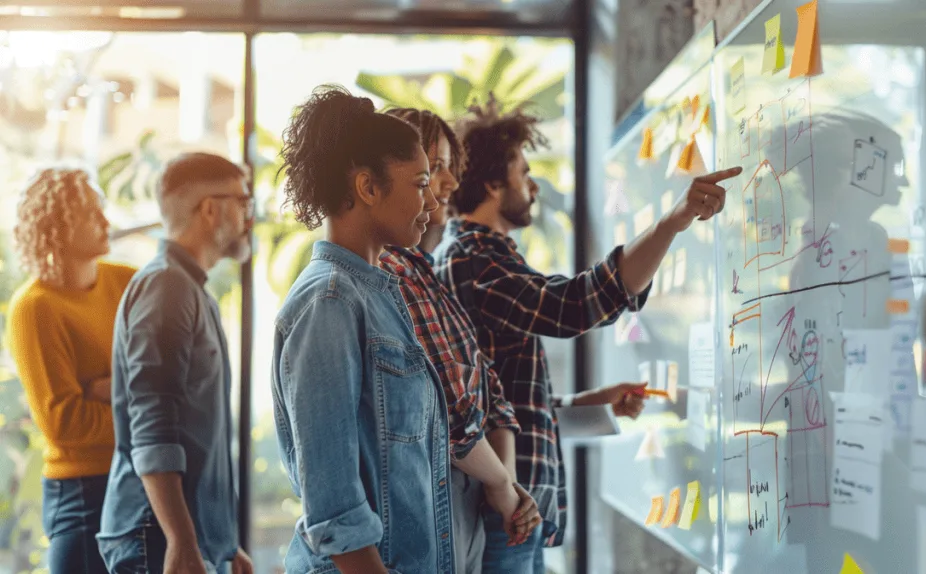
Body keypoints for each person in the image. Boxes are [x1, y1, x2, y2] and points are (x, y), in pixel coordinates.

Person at [433, 95, 742, 572]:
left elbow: (500, 402)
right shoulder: (472, 259)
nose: (533, 186)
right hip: (506, 511)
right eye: (523, 172)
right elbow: (573, 305)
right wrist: (670, 224)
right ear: (494, 184)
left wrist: (588, 403)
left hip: (516, 508)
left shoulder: (480, 256)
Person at [271, 86, 454, 574]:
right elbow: (335, 507)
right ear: (368, 188)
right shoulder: (329, 301)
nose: (433, 200)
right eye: (420, 183)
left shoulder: (376, 292)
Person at [379, 108, 541, 573]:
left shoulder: (424, 272)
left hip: (492, 502)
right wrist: (502, 486)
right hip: (465, 508)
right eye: (434, 168)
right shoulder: (392, 276)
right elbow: (458, 411)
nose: (449, 182)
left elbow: (487, 389)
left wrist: (505, 486)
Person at [96, 152, 255, 574]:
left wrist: (223, 544)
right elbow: (153, 425)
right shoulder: (166, 286)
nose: (249, 217)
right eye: (243, 202)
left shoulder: (188, 287)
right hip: (156, 537)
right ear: (210, 209)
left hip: (184, 537)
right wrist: (181, 541)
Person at [6, 169, 136, 574]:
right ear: (59, 225)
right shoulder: (34, 307)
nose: (106, 223)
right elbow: (64, 423)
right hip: (81, 495)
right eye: (92, 215)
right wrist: (137, 402)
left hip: (139, 478)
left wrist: (106, 390)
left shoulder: (129, 282)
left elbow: (173, 382)